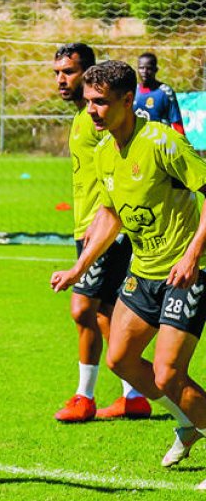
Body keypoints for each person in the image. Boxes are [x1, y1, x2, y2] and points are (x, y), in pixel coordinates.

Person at [52, 60, 206, 479]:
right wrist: (78, 268)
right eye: (88, 102)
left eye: (101, 102)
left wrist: (193, 255)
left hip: (187, 270)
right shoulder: (104, 152)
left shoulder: (161, 143)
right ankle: (189, 423)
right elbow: (109, 215)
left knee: (167, 371)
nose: (92, 111)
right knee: (120, 359)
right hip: (145, 270)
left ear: (127, 100)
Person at [50, 43, 147, 422]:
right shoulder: (83, 119)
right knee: (104, 310)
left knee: (82, 308)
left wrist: (115, 223)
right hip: (88, 227)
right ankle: (133, 393)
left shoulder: (102, 122)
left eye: (69, 72)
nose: (61, 79)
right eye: (57, 72)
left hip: (104, 229)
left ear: (89, 73)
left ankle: (87, 396)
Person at [133, 52, 185, 135]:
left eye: (149, 68)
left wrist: (182, 144)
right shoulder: (132, 91)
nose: (144, 71)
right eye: (141, 68)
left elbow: (177, 123)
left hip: (160, 141)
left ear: (155, 70)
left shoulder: (165, 92)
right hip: (138, 141)